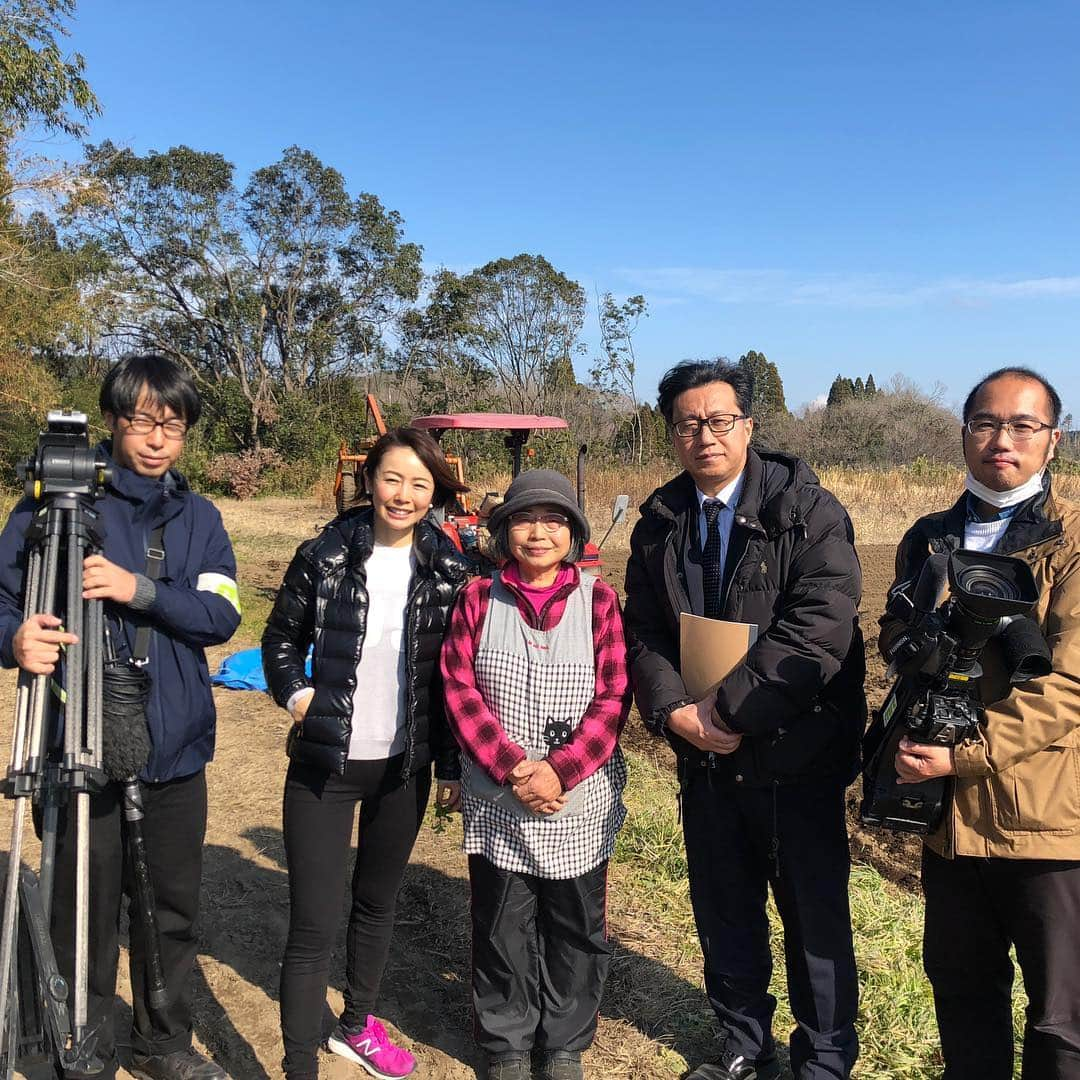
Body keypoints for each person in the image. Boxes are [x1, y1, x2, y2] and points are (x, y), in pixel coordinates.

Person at [0, 354, 242, 1080]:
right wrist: (14, 640)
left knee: (169, 909)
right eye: (141, 420)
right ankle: (84, 1041)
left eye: (173, 424)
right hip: (77, 742)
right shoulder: (53, 505)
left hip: (173, 749)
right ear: (112, 420)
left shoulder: (200, 517)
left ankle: (162, 1042)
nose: (157, 437)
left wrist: (141, 589)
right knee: (84, 908)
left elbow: (222, 612)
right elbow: (1, 600)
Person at [624, 360, 865, 1080]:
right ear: (671, 434)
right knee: (724, 909)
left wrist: (724, 709)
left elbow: (820, 627)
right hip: (705, 758)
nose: (705, 436)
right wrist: (673, 712)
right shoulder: (661, 520)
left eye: (720, 420)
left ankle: (822, 1059)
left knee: (812, 916)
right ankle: (742, 1045)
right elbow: (642, 631)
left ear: (749, 426)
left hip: (796, 753)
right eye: (688, 424)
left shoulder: (808, 509)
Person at [881, 367, 1080, 1079]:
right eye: (986, 423)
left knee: (1061, 1020)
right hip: (951, 822)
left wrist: (963, 754)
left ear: (1052, 441)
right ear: (964, 433)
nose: (1003, 440)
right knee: (964, 998)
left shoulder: (1072, 539)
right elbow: (896, 640)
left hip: (1047, 825)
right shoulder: (929, 537)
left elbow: (1069, 687)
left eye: (1023, 425)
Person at [261, 427, 472, 1080]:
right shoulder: (323, 555)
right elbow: (278, 642)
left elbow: (456, 676)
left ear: (434, 491)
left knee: (378, 905)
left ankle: (355, 1029)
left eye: (420, 483)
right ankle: (300, 1067)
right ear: (369, 480)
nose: (404, 494)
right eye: (392, 478)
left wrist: (449, 766)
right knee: (313, 928)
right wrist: (298, 698)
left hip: (401, 771)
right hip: (325, 768)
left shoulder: (450, 567)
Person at [441, 469, 631, 1080]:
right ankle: (506, 1044)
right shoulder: (477, 598)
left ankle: (566, 1043)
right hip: (499, 796)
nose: (539, 532)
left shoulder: (599, 601)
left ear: (573, 533)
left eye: (554, 520)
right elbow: (459, 686)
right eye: (525, 519)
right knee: (501, 925)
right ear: (504, 531)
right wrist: (512, 766)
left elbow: (613, 697)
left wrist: (560, 771)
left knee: (576, 926)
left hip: (577, 799)